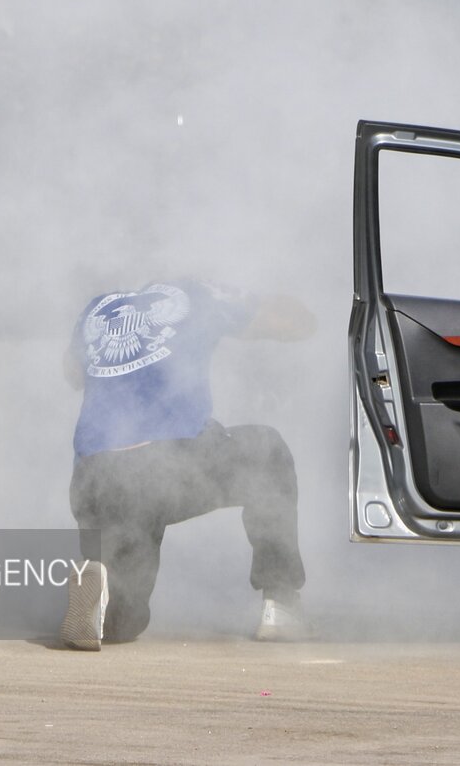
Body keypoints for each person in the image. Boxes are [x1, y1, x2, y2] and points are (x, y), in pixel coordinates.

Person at [59, 278, 315, 650]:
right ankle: (283, 605)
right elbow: (293, 324)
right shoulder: (196, 293)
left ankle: (99, 593)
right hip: (164, 463)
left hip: (94, 478)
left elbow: (72, 374)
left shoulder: (99, 307)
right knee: (267, 451)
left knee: (121, 625)